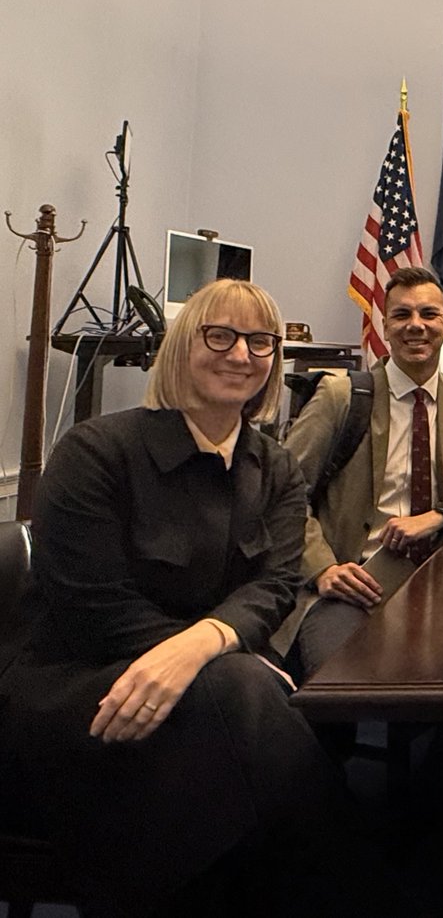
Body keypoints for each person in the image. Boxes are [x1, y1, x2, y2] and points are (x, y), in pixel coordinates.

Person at [0, 279, 376, 917]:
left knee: (236, 726)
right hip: (83, 688)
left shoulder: (275, 466)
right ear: (181, 346)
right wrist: (209, 656)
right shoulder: (95, 451)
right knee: (247, 703)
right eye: (219, 335)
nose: (241, 354)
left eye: (261, 341)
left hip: (212, 685)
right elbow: (93, 604)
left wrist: (202, 646)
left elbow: (278, 583)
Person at [275, 267, 443, 679]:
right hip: (354, 583)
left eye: (428, 314)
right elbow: (282, 495)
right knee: (339, 685)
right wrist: (322, 569)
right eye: (402, 315)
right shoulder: (341, 397)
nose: (416, 326)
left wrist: (438, 516)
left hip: (438, 583)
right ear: (385, 326)